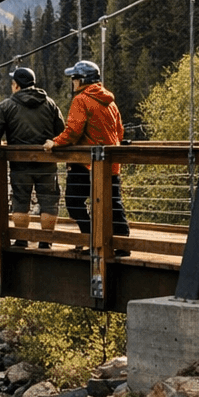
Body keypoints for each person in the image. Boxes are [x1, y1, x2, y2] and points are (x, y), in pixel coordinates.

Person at [42, 59, 131, 255]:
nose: (72, 82)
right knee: (113, 203)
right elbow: (120, 132)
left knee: (74, 202)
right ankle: (123, 245)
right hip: (111, 162)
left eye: (74, 78)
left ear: (83, 80)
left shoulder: (81, 100)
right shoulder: (111, 102)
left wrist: (55, 142)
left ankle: (91, 238)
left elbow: (73, 130)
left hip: (86, 163)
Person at [0, 66, 64, 249]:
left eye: (13, 83)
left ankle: (21, 239)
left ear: (17, 86)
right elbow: (62, 133)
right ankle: (46, 241)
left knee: (21, 200)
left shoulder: (7, 106)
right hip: (47, 163)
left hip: (20, 164)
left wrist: (1, 143)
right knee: (49, 200)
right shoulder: (50, 104)